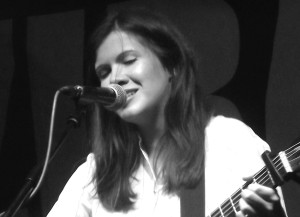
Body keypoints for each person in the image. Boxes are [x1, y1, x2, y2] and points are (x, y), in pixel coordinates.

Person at [47, 8, 287, 217]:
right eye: (103, 72)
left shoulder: (228, 140)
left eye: (129, 60)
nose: (115, 78)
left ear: (171, 65)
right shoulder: (95, 171)